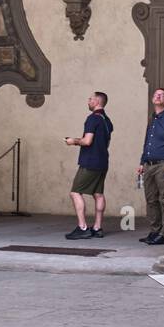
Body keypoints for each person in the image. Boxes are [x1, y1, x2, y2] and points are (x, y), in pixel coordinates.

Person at [65, 92, 113, 239]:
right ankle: (97, 228)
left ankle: (83, 227)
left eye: (90, 99)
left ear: (97, 101)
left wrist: (73, 141)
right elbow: (106, 143)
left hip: (90, 162)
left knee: (75, 192)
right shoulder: (107, 121)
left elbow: (87, 141)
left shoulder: (92, 118)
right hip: (103, 161)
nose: (88, 101)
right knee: (98, 194)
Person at [137, 87, 164, 246]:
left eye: (161, 95)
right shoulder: (152, 119)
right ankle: (154, 230)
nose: (158, 96)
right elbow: (147, 142)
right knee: (151, 200)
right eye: (156, 95)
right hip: (149, 165)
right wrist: (142, 162)